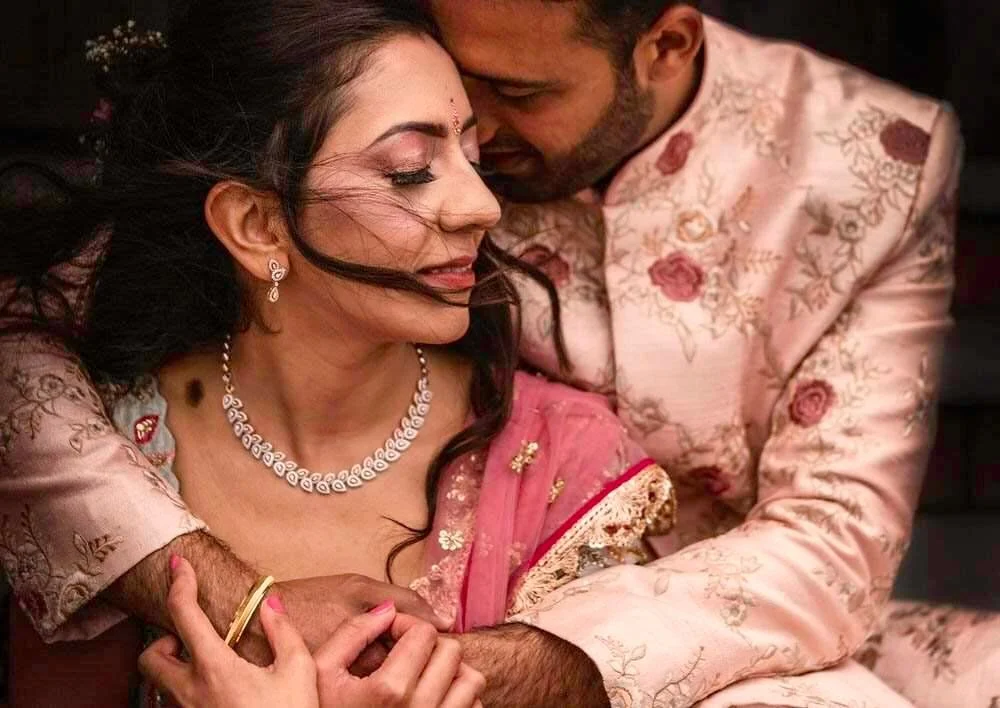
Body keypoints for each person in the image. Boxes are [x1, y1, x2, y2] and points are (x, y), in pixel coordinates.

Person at [3, 0, 998, 706]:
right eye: (421, 152)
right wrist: (230, 595)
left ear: (664, 45)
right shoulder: (159, 384)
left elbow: (830, 545)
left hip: (711, 633)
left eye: (506, 99)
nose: (479, 190)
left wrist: (462, 677)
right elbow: (33, 334)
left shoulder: (873, 166)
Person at [0, 1, 676, 706]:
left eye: (472, 158)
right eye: (411, 170)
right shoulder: (100, 461)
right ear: (256, 224)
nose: (482, 206)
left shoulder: (563, 463)